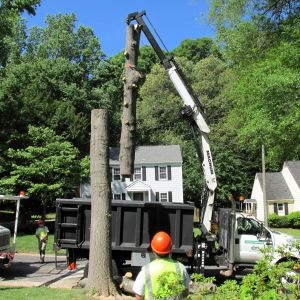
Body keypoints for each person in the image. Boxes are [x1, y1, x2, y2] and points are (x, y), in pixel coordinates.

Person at [133, 231, 190, 299]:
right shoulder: (180, 267)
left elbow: (138, 296)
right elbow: (185, 292)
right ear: (170, 249)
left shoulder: (146, 270)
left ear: (153, 250)